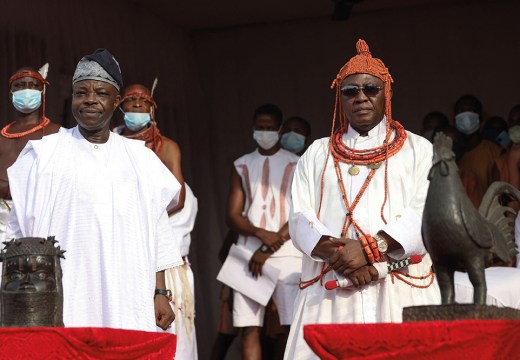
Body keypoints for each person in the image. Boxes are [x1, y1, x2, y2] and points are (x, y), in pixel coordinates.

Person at [5, 48, 183, 331]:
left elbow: (156, 228)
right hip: (61, 295)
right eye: (81, 93)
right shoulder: (43, 154)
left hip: (127, 294)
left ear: (116, 101)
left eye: (100, 93)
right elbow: (18, 232)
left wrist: (160, 293)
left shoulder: (141, 159)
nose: (89, 100)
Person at [285, 39, 440, 359]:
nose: (361, 97)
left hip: (398, 284)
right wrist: (340, 254)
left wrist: (372, 249)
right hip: (331, 288)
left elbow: (424, 213)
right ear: (340, 98)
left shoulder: (419, 149)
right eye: (350, 91)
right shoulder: (316, 152)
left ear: (388, 93)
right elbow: (300, 216)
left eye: (371, 89)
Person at [226, 103, 302, 359]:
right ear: (253, 127)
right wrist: (261, 235)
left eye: (270, 128)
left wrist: (269, 246)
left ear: (279, 129)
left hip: (289, 253)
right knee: (248, 328)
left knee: (291, 328)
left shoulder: (298, 164)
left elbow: (301, 214)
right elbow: (232, 216)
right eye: (260, 127)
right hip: (247, 254)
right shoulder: (242, 164)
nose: (265, 132)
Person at [0, 65, 60, 242]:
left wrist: (12, 187)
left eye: (32, 85)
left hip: (39, 216)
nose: (26, 89)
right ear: (11, 94)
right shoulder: (2, 136)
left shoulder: (57, 133)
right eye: (19, 85)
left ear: (42, 91)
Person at [114, 82, 185, 213]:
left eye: (144, 100)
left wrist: (144, 224)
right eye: (130, 99)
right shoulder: (109, 143)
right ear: (120, 106)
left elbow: (178, 199)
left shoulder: (166, 147)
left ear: (151, 108)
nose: (137, 104)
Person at [164, 183, 198, 359]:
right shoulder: (186, 189)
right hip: (176, 272)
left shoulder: (177, 190)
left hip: (170, 273)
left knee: (179, 341)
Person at [455, 95, 501, 206]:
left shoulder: (494, 151)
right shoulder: (452, 154)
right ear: (455, 119)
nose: (466, 116)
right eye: (461, 111)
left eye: (471, 110)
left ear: (480, 119)